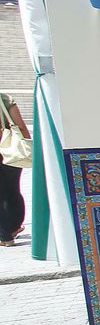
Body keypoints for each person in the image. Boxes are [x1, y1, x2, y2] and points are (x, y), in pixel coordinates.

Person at [0, 92, 28, 246]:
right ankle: (13, 228)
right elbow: (21, 126)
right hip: (10, 151)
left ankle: (5, 237)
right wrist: (27, 145)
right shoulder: (5, 99)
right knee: (12, 190)